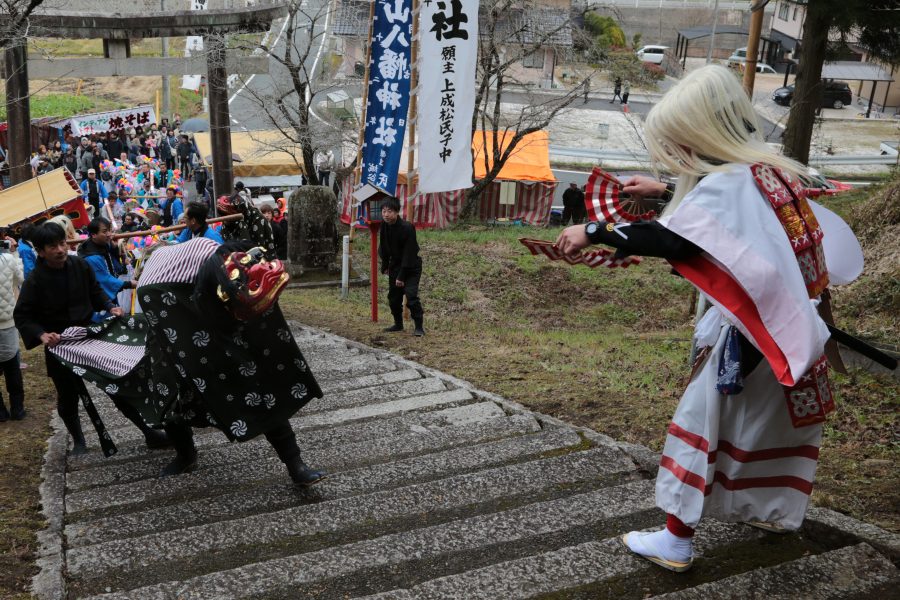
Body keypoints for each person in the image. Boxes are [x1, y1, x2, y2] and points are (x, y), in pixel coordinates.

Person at [556, 65, 832, 573]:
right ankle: (772, 510)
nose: (678, 156)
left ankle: (677, 540)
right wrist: (664, 192)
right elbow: (723, 220)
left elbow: (674, 239)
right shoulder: (770, 171)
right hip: (796, 326)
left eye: (681, 144)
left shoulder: (728, 182)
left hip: (752, 332)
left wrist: (593, 229)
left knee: (700, 424)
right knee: (768, 426)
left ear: (702, 134)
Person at [14, 223, 168, 454]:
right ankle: (78, 441)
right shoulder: (34, 280)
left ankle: (150, 434)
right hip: (60, 343)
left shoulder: (80, 265)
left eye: (62, 243)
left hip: (89, 333)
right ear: (41, 251)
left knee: (117, 383)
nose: (60, 249)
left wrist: (109, 306)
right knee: (68, 396)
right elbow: (23, 315)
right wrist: (42, 334)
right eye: (52, 246)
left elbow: (96, 292)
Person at [379, 197, 424, 336]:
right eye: (384, 211)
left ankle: (419, 327)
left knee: (411, 296)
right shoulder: (384, 225)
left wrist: (401, 276)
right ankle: (398, 324)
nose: (386, 214)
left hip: (410, 267)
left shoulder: (407, 227)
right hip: (395, 265)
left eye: (389, 211)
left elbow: (409, 253)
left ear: (397, 212)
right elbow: (384, 247)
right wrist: (385, 265)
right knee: (393, 297)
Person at [78, 217, 135, 301]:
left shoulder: (101, 243)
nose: (109, 234)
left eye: (109, 230)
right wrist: (128, 284)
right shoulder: (92, 258)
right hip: (99, 299)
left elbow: (111, 259)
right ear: (93, 234)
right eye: (104, 232)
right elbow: (104, 280)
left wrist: (114, 247)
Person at [0, 237, 25, 421]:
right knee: (12, 367)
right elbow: (20, 278)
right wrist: (14, 253)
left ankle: (0, 412)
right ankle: (17, 409)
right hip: (7, 320)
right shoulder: (7, 259)